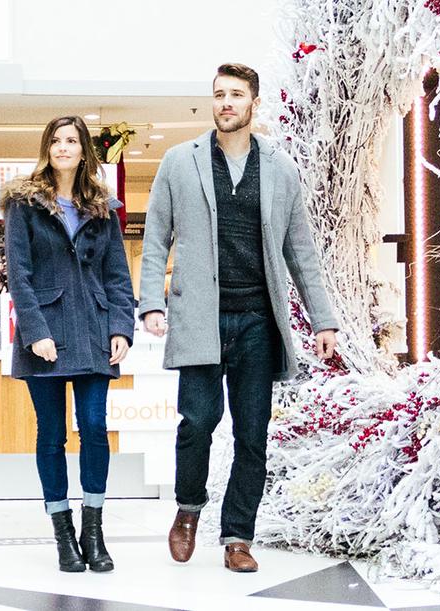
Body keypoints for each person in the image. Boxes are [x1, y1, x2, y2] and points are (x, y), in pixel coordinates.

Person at [139, 63, 340, 573]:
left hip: (257, 321)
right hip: (200, 316)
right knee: (198, 422)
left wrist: (324, 320)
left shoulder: (280, 168)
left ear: (254, 103)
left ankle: (237, 536)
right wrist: (151, 304)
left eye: (236, 95)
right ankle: (188, 508)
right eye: (218, 95)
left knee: (253, 433)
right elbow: (156, 237)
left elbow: (302, 251)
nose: (226, 103)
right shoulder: (179, 162)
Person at [2, 115, 136, 574]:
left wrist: (122, 327)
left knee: (95, 428)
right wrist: (35, 332)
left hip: (95, 332)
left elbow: (118, 275)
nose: (63, 148)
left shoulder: (102, 206)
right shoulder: (25, 204)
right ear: (47, 148)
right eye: (56, 141)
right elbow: (18, 274)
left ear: (84, 151)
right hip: (46, 334)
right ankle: (63, 533)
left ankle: (93, 530)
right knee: (52, 434)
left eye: (71, 141)